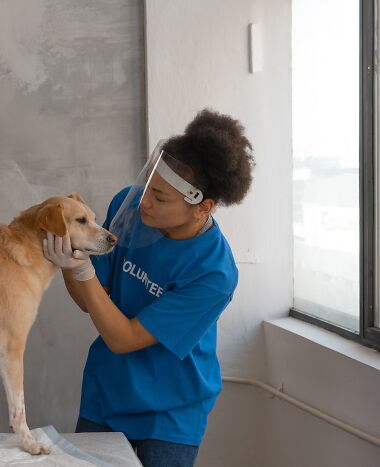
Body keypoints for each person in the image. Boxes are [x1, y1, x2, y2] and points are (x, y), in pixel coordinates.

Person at [43, 109, 254, 467]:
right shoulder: (129, 208)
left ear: (201, 208)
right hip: (108, 392)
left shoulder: (213, 273)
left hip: (171, 410)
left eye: (161, 197)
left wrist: (81, 269)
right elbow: (89, 301)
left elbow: (123, 338)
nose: (145, 201)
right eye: (149, 186)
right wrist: (70, 258)